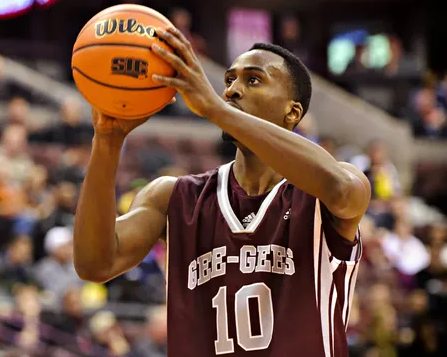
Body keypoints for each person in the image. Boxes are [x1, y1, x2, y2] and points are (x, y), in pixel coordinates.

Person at [73, 26, 371, 357]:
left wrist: (217, 110)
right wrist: (107, 140)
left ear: (292, 112)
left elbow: (343, 191)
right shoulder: (174, 198)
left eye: (252, 80)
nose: (231, 91)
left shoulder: (325, 193)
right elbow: (94, 264)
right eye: (228, 81)